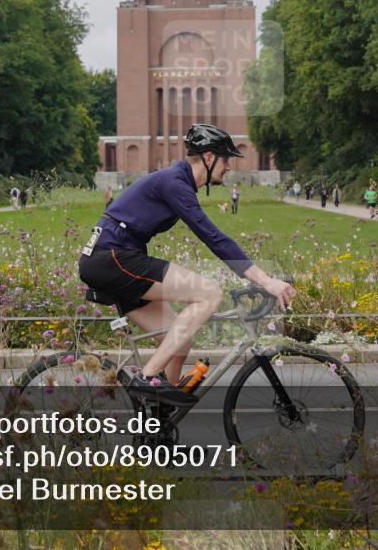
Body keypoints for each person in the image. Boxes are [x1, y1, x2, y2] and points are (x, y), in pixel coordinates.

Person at [78, 124, 296, 405]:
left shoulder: (178, 182)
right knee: (210, 293)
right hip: (111, 256)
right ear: (208, 157)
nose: (228, 166)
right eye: (225, 159)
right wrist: (265, 280)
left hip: (113, 257)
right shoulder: (175, 182)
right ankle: (149, 377)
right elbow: (213, 237)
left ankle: (159, 429)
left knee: (178, 341)